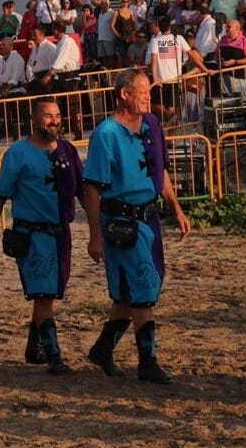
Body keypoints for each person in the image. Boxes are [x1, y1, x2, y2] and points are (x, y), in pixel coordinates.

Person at [81, 70, 191, 383]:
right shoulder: (105, 134)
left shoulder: (152, 124)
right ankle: (148, 362)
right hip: (121, 222)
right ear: (124, 94)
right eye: (142, 92)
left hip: (150, 219)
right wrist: (95, 236)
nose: (147, 98)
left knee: (133, 292)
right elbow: (92, 188)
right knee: (142, 288)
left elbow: (161, 170)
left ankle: (102, 349)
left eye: (149, 93)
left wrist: (177, 210)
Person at [0, 98, 83, 373]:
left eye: (58, 114)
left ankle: (33, 347)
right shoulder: (18, 154)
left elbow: (84, 191)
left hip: (61, 234)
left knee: (50, 293)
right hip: (33, 235)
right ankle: (54, 356)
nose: (55, 120)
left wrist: (98, 228)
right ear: (35, 120)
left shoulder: (67, 151)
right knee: (44, 295)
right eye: (48, 115)